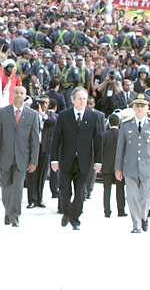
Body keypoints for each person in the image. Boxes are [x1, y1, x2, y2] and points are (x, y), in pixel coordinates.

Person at [51, 86, 104, 230]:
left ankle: (75, 218)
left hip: (84, 160)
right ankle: (67, 213)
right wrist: (54, 160)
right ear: (73, 100)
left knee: (81, 192)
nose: (82, 101)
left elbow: (98, 140)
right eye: (79, 99)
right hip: (67, 159)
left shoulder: (94, 117)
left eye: (85, 99)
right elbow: (56, 139)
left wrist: (98, 161)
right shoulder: (64, 115)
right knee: (65, 190)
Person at [0, 86, 40, 227]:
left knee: (18, 188)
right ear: (13, 94)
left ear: (25, 96)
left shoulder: (32, 115)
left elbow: (35, 140)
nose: (19, 95)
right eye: (17, 92)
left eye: (22, 93)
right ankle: (8, 211)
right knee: (5, 187)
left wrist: (33, 161)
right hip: (6, 156)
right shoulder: (3, 112)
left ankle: (15, 216)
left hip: (22, 158)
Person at [115, 94, 150, 233]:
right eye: (137, 106)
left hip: (148, 166)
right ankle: (136, 223)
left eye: (143, 106)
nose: (140, 108)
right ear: (133, 107)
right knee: (132, 196)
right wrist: (118, 168)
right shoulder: (125, 125)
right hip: (130, 166)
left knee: (147, 195)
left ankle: (144, 216)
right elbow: (120, 148)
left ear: (147, 108)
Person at [26, 95, 56, 208]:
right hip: (32, 148)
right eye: (41, 102)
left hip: (44, 148)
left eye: (46, 103)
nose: (43, 105)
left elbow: (52, 122)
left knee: (42, 174)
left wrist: (42, 114)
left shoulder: (50, 114)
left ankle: (39, 198)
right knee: (31, 174)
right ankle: (31, 199)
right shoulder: (31, 114)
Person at [101, 114, 126, 218]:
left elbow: (101, 151)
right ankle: (121, 210)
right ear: (119, 122)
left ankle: (107, 211)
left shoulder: (104, 135)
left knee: (107, 190)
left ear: (109, 123)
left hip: (106, 166)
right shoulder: (122, 135)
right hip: (119, 167)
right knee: (120, 189)